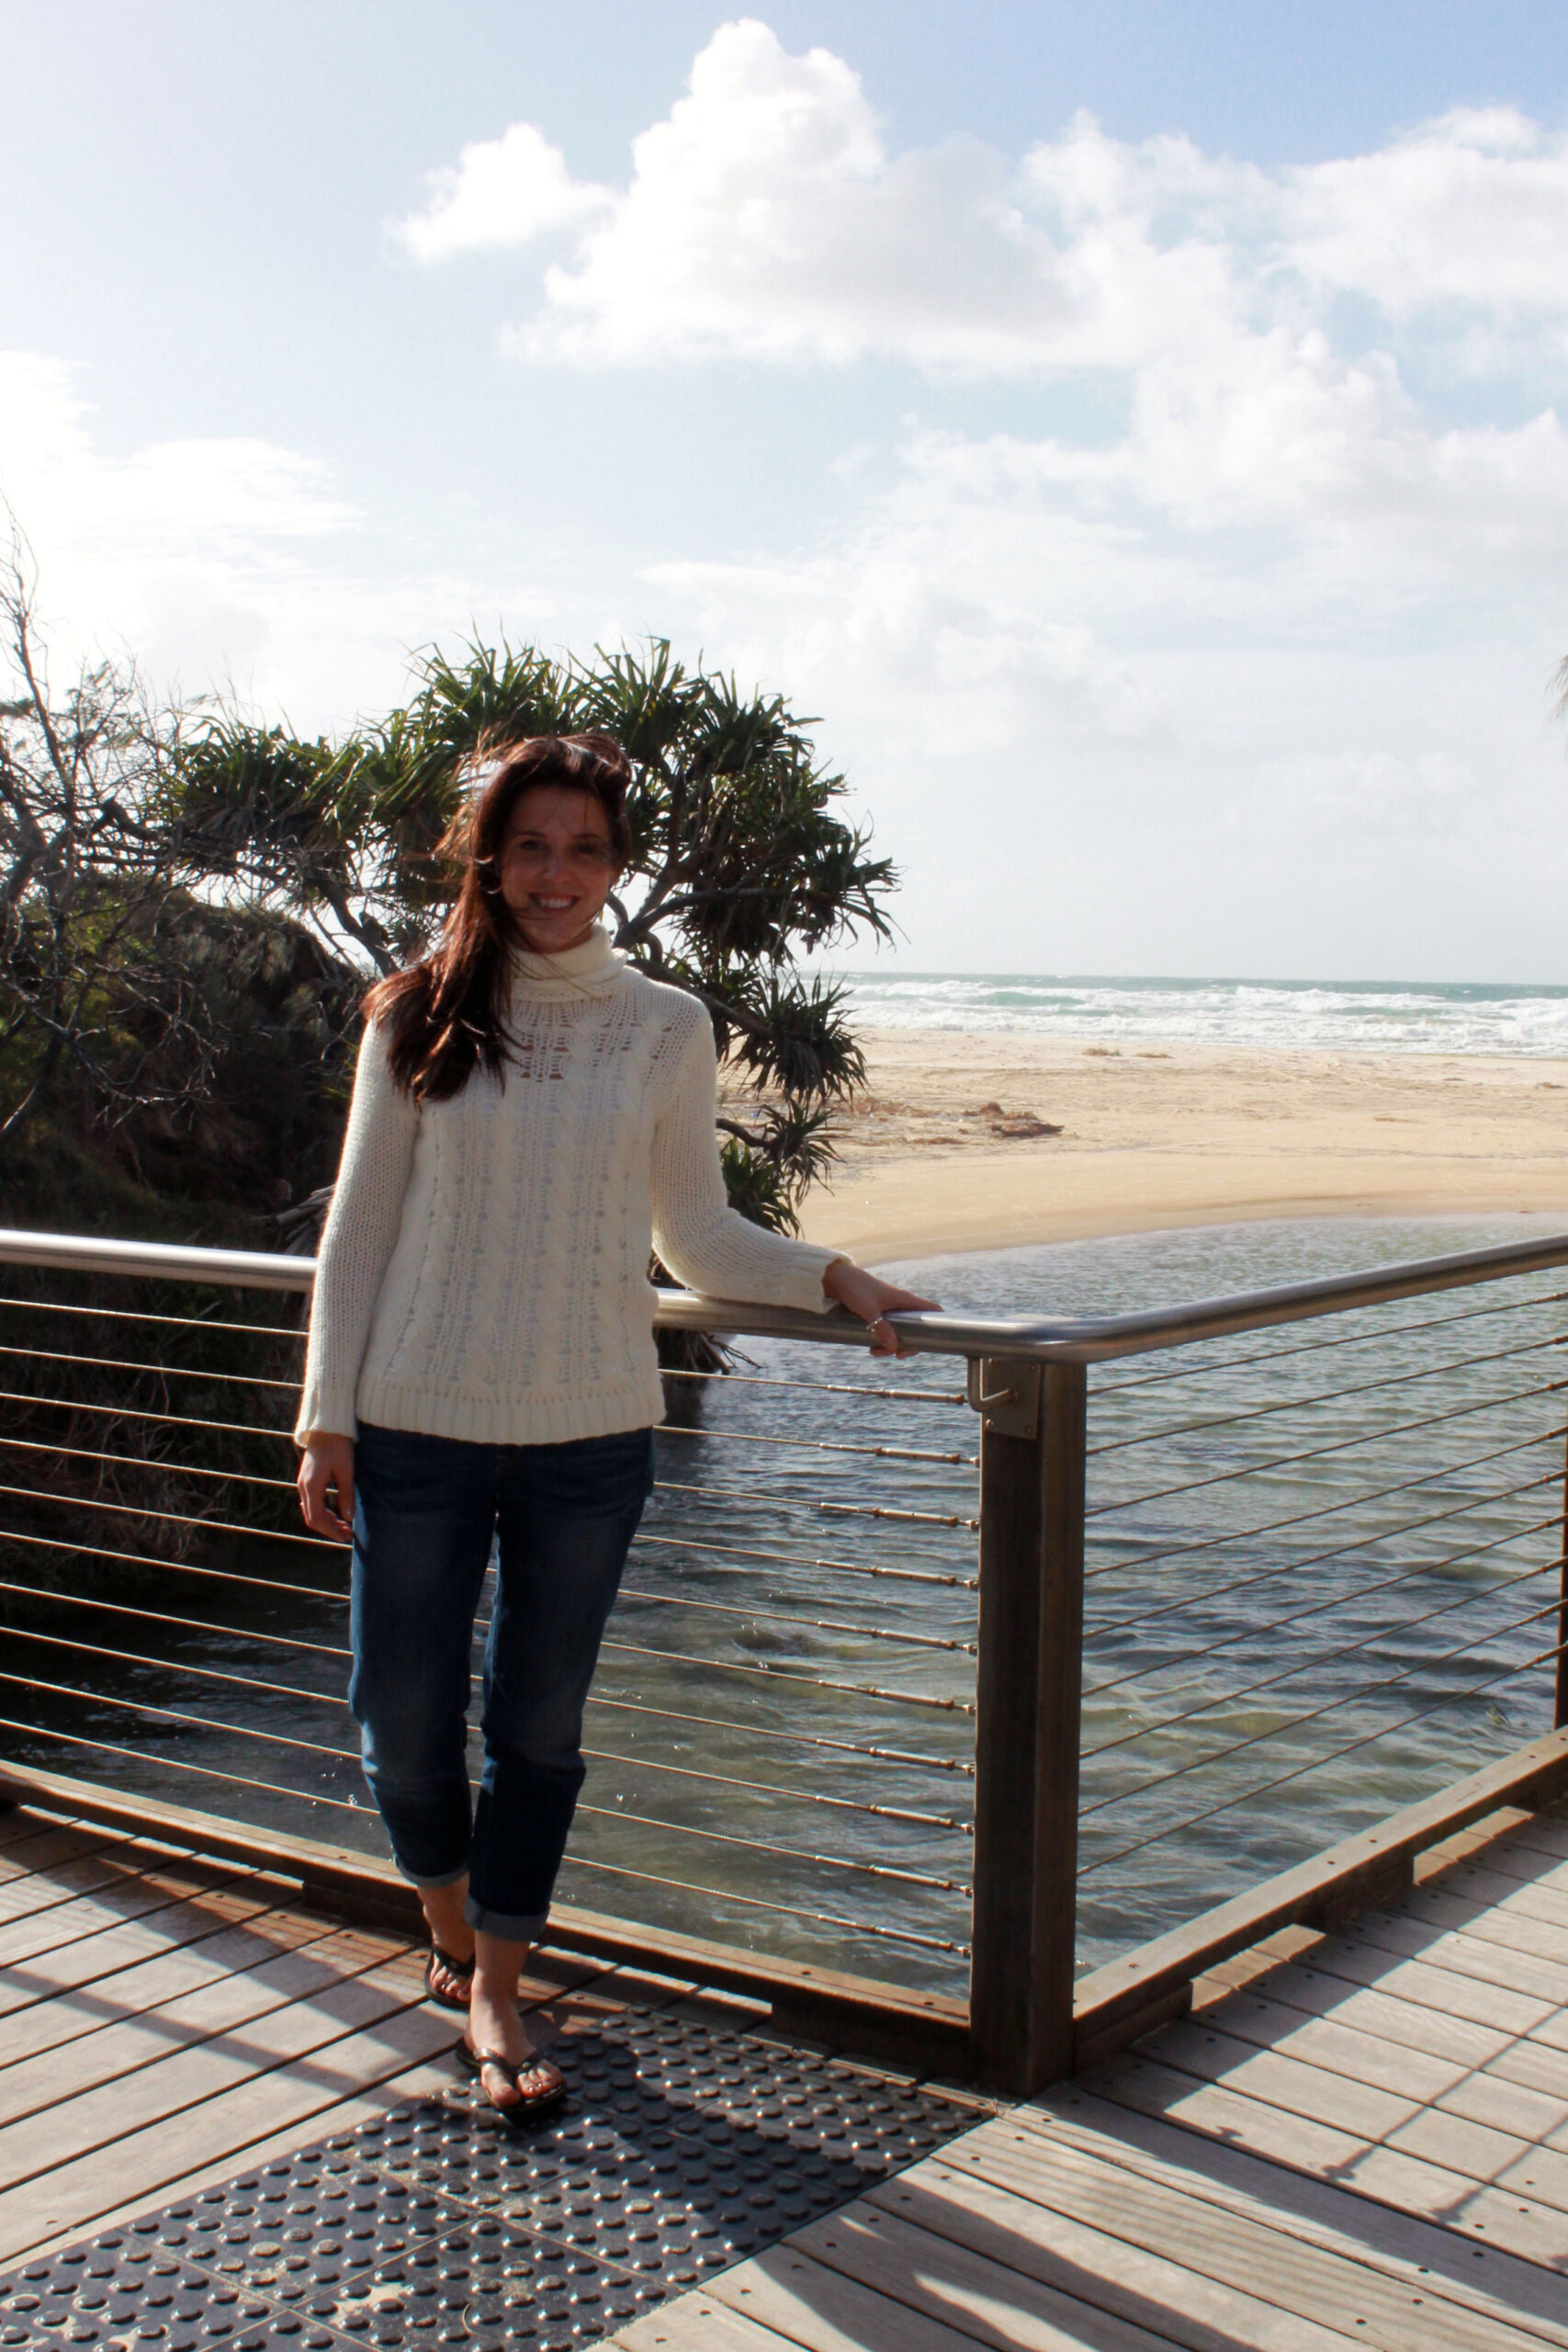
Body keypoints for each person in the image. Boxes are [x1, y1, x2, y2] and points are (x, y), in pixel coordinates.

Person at [294, 730, 935, 2120]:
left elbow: (693, 1234)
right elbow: (359, 1232)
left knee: (540, 1725)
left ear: (615, 865)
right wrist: (323, 1421)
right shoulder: (415, 1013)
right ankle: (449, 1917)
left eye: (584, 849)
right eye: (531, 845)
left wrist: (831, 1275)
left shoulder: (666, 1025)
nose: (556, 874)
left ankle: (497, 1983)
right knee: (400, 1715)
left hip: (590, 1438)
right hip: (413, 1426)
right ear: (489, 858)